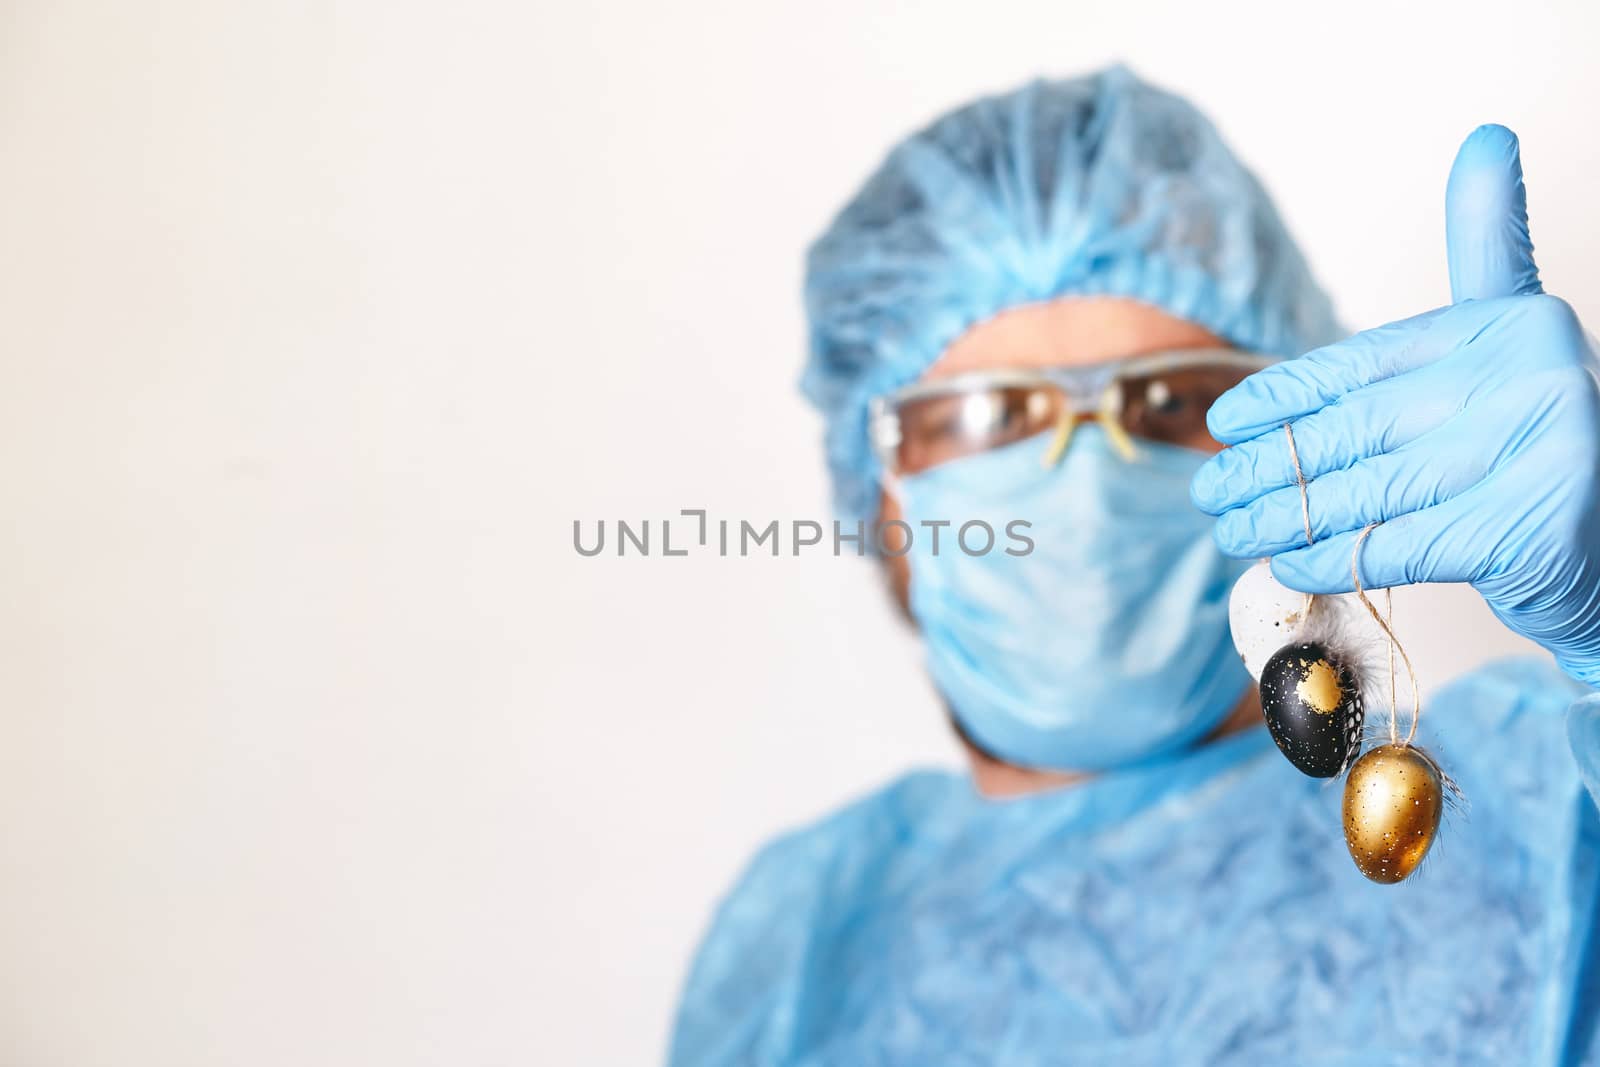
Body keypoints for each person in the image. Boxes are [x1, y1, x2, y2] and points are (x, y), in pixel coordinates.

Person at [669, 66, 1600, 1064]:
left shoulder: (1542, 812)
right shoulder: (799, 942)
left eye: (1168, 403)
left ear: (1301, 437)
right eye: (993, 416)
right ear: (880, 491)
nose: (1085, 480)